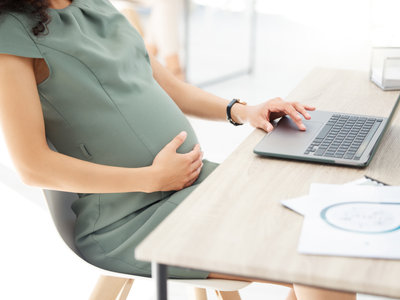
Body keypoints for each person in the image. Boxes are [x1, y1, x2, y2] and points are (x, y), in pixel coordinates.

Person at [0, 0, 354, 299]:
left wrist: (242, 110)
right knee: (316, 258)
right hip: (130, 219)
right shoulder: (10, 37)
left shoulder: (94, 6)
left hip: (194, 184)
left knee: (323, 231)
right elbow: (32, 167)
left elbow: (171, 87)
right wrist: (149, 179)